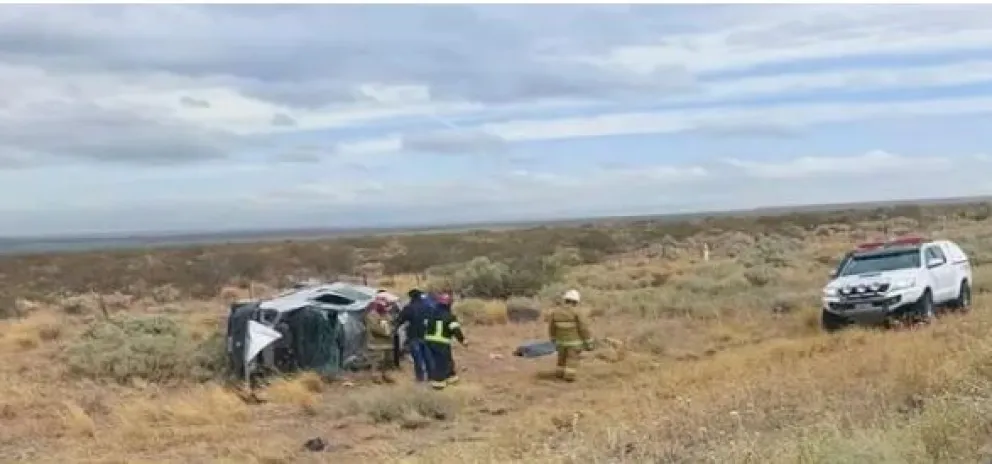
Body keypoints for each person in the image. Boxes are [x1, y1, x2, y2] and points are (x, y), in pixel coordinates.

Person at [546, 289, 594, 382]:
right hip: (574, 343)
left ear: (565, 299)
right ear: (576, 301)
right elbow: (583, 328)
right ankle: (569, 378)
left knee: (561, 360)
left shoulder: (556, 312)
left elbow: (551, 327)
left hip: (560, 342)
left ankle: (559, 375)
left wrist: (553, 338)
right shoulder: (577, 312)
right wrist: (589, 342)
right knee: (572, 361)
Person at [423, 298, 467, 390]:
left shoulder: (431, 314)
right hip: (442, 342)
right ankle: (438, 383)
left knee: (445, 360)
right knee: (441, 362)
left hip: (429, 342)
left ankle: (451, 377)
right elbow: (456, 330)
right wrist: (462, 340)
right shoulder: (449, 317)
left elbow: (425, 325)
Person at [395, 288, 433, 382]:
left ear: (411, 297)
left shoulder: (409, 307)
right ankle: (431, 376)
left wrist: (394, 328)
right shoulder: (428, 306)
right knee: (428, 357)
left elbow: (400, 320)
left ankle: (420, 378)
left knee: (417, 358)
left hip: (413, 335)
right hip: (427, 335)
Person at [364, 296, 396, 383]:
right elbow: (374, 328)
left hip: (387, 343)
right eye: (383, 306)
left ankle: (386, 375)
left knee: (387, 360)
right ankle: (376, 376)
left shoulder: (387, 315)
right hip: (376, 343)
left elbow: (391, 324)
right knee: (377, 360)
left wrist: (392, 330)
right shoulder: (372, 315)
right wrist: (386, 333)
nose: (385, 308)